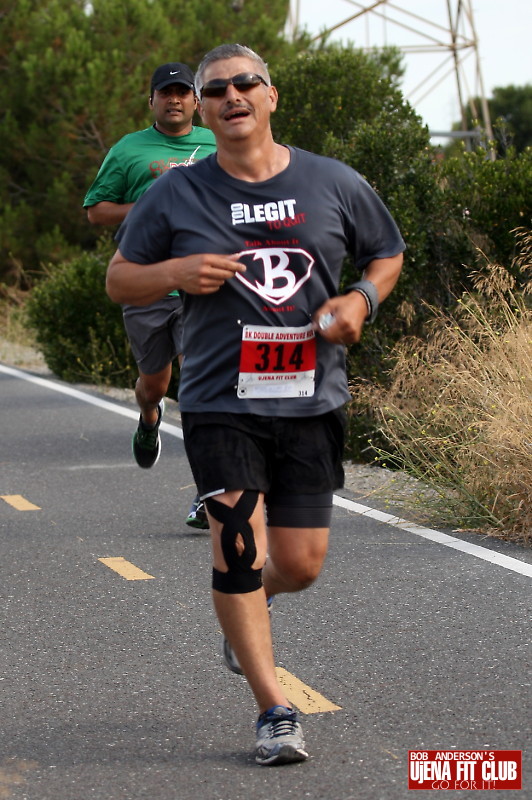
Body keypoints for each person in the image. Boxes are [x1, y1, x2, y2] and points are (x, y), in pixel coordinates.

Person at [106, 43, 405, 766]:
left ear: (271, 96)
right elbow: (120, 280)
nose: (232, 96)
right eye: (216, 90)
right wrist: (176, 271)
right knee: (238, 544)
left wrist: (361, 300)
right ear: (203, 110)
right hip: (220, 397)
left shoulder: (331, 180)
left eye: (246, 84)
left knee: (298, 564)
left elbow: (386, 253)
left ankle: (254, 607)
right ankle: (273, 709)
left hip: (311, 397)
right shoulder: (175, 193)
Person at [84, 62, 216, 530]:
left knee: (201, 382)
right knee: (155, 384)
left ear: (196, 101)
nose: (174, 99)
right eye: (166, 92)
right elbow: (96, 211)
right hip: (147, 280)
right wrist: (150, 204)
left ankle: (210, 492)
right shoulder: (128, 149)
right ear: (152, 101)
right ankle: (148, 416)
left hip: (205, 283)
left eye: (183, 92)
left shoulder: (219, 143)